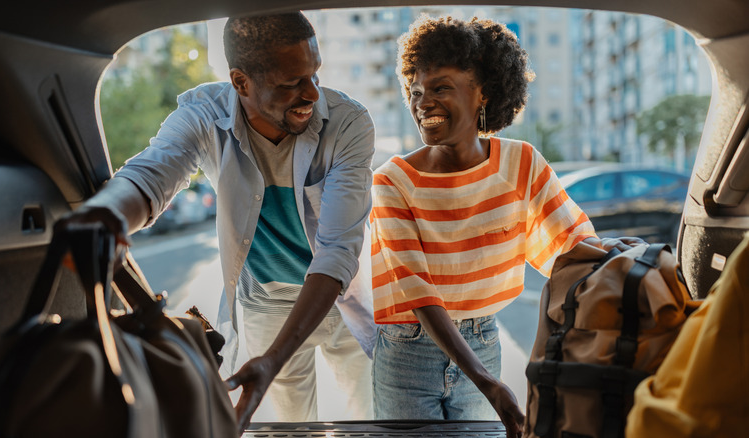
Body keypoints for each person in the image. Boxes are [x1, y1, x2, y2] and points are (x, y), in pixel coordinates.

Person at [60, 12, 376, 433]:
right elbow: (152, 171)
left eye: (314, 74)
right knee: (291, 429)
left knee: (371, 418)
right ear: (241, 82)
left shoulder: (349, 122)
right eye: (290, 83)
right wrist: (103, 216)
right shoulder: (203, 115)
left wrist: (271, 360)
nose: (312, 93)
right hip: (265, 301)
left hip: (341, 296)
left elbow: (337, 252)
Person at [369, 15, 609, 437]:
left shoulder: (522, 164)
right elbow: (419, 293)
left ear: (482, 93)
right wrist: (488, 382)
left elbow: (573, 247)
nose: (422, 102)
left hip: (483, 337)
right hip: (407, 350)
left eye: (440, 87)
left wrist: (625, 262)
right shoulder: (393, 180)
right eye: (416, 90)